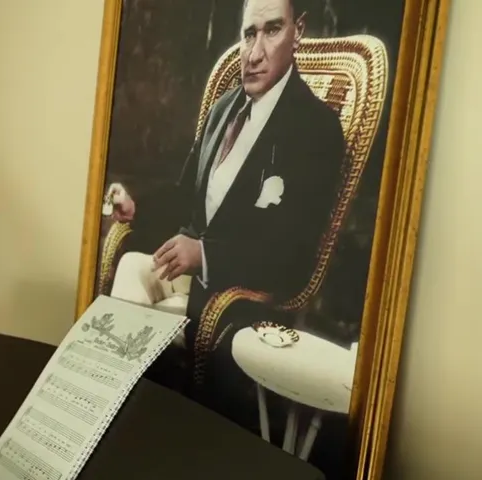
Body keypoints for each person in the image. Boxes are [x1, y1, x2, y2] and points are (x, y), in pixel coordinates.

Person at [104, 0, 345, 410]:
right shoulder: (224, 110)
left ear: (298, 31)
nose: (254, 53)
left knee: (130, 339)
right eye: (249, 34)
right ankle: (117, 405)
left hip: (242, 299)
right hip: (197, 281)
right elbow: (187, 195)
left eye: (272, 30)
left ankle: (132, 410)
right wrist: (135, 205)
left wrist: (205, 255)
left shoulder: (316, 129)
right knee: (129, 267)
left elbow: (293, 256)